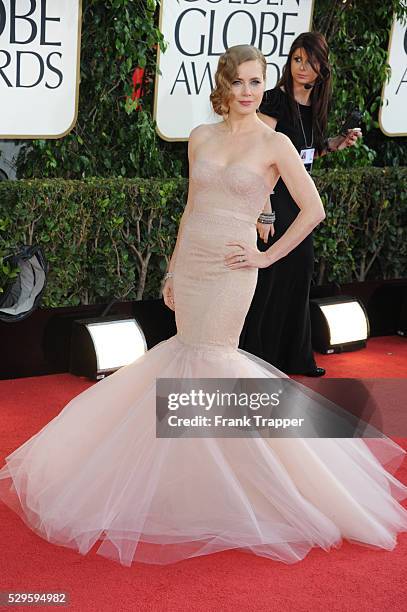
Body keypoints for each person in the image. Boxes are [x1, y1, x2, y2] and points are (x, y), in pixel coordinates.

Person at [0, 45, 406, 568]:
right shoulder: (201, 137)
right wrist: (171, 268)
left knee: (216, 362)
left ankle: (257, 482)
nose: (246, 92)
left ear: (266, 85)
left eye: (256, 82)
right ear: (223, 84)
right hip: (192, 266)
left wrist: (265, 256)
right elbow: (192, 207)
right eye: (237, 82)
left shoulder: (276, 142)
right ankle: (188, 480)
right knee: (187, 360)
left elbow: (313, 210)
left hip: (234, 270)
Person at [240, 32, 362, 376]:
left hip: (300, 200)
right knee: (270, 278)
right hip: (273, 200)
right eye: (296, 60)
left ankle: (294, 357)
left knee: (299, 272)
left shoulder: (317, 106)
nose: (302, 68)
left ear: (323, 66)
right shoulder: (274, 101)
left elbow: (305, 154)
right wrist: (264, 209)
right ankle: (256, 358)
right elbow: (258, 156)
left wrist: (335, 144)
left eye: (309, 62)